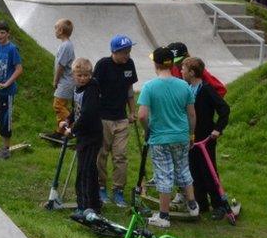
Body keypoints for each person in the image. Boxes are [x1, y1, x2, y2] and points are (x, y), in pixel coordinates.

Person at [138, 46, 199, 228]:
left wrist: (147, 129)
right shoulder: (183, 85)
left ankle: (163, 216)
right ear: (172, 64)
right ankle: (193, 206)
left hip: (160, 138)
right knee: (183, 169)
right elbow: (192, 115)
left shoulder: (149, 87)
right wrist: (191, 134)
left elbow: (142, 115)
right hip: (181, 135)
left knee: (164, 175)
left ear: (156, 64)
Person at [180, 57, 232, 220]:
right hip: (191, 139)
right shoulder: (187, 89)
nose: (181, 72)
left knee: (209, 171)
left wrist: (217, 129)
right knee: (194, 171)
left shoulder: (206, 89)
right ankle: (201, 202)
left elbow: (224, 109)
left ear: (192, 73)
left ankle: (218, 205)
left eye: (183, 69)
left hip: (205, 139)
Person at [94, 35, 137, 207]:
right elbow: (94, 89)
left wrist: (132, 111)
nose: (127, 55)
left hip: (121, 119)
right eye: (124, 52)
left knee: (121, 156)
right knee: (102, 154)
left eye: (129, 51)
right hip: (103, 117)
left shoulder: (130, 64)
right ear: (114, 51)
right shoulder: (103, 65)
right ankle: (100, 186)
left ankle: (118, 190)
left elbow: (129, 90)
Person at [61, 58, 103, 213]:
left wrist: (72, 130)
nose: (83, 78)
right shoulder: (77, 88)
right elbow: (77, 109)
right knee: (88, 170)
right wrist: (68, 120)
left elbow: (87, 113)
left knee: (84, 172)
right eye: (80, 75)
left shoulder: (92, 89)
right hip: (83, 135)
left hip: (92, 136)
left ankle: (85, 206)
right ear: (74, 75)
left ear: (90, 75)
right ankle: (94, 204)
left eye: (86, 75)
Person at [0, 21, 23, 158]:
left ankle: (6, 148)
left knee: (5, 119)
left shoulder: (12, 49)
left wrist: (7, 83)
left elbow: (19, 69)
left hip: (7, 92)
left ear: (8, 34)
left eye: (2, 32)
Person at [47, 18, 76, 140]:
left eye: (56, 28)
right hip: (66, 81)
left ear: (61, 30)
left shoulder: (66, 46)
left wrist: (55, 80)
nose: (54, 30)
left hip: (65, 82)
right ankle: (61, 131)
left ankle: (74, 126)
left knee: (58, 105)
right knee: (62, 106)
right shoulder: (65, 45)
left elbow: (61, 65)